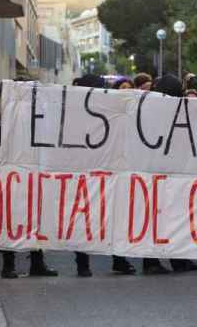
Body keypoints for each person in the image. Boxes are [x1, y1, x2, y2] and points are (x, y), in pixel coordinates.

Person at [71, 74, 136, 277]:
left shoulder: (109, 110)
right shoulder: (85, 112)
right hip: (89, 172)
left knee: (111, 217)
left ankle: (114, 260)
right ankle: (86, 262)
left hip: (109, 171)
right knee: (88, 219)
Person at [140, 75, 197, 275]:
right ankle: (162, 261)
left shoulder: (149, 110)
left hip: (157, 172)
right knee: (172, 217)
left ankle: (166, 260)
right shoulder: (176, 112)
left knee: (160, 217)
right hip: (169, 172)